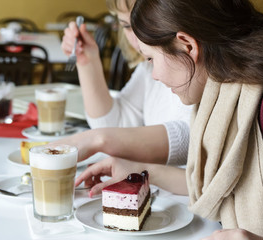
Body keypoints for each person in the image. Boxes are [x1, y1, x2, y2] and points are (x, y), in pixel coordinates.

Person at [73, 0, 263, 239]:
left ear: (187, 46)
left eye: (151, 58)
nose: (155, 75)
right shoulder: (221, 98)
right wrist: (142, 170)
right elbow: (213, 186)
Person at [60, 0, 192, 165]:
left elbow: (193, 137)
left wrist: (98, 139)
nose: (137, 38)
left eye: (146, 23)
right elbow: (116, 125)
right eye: (127, 26)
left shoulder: (203, 74)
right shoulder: (146, 70)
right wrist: (88, 62)